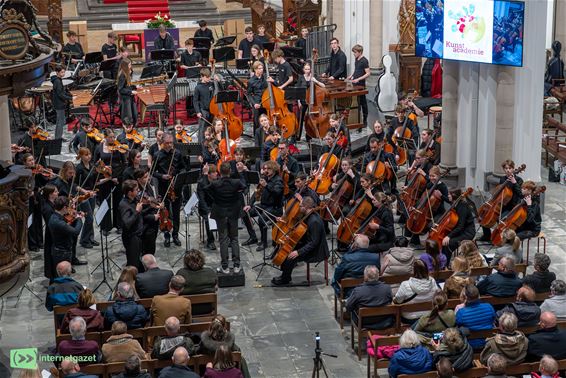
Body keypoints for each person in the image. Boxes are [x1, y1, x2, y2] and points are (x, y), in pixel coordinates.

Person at [272, 196, 329, 285]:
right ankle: (285, 275)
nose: (299, 207)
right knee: (287, 249)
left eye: (301, 206)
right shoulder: (307, 215)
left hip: (316, 251)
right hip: (309, 244)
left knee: (290, 256)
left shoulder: (314, 221)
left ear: (306, 207)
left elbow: (314, 243)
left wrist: (298, 252)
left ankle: (285, 279)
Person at [202, 162, 246, 273]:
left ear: (219, 172)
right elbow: (244, 187)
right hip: (233, 213)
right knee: (234, 239)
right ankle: (236, 266)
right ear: (230, 171)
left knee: (223, 240)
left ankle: (225, 266)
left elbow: (204, 188)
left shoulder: (215, 184)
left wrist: (205, 174)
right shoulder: (236, 182)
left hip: (220, 213)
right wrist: (240, 173)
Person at [242, 160, 284, 251]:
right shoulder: (265, 178)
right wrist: (249, 204)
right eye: (265, 168)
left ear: (274, 169)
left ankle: (264, 243)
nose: (265, 170)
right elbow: (256, 192)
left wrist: (266, 186)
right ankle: (253, 237)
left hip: (275, 208)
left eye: (268, 169)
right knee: (245, 213)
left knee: (261, 219)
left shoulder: (278, 180)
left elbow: (277, 193)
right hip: (264, 205)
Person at [479, 159, 524, 242]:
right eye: (506, 168)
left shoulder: (519, 180)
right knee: (484, 214)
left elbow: (521, 194)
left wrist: (514, 182)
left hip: (511, 207)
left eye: (510, 168)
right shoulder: (503, 179)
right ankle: (487, 235)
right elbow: (499, 192)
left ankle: (501, 238)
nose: (508, 170)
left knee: (502, 220)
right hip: (501, 205)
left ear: (514, 169)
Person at [153, 133, 185, 247]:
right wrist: (162, 176)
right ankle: (167, 235)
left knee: (176, 213)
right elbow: (153, 172)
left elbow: (183, 168)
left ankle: (175, 235)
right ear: (162, 143)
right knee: (164, 213)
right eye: (167, 143)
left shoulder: (177, 153)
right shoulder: (157, 155)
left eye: (171, 143)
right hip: (163, 188)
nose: (170, 145)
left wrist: (177, 177)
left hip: (175, 187)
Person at [94, 128, 126, 235]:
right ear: (105, 137)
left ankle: (119, 225)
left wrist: (117, 176)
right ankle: (105, 227)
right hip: (105, 178)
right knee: (105, 202)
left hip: (117, 178)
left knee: (118, 201)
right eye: (110, 137)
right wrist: (102, 168)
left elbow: (124, 163)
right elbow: (95, 164)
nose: (113, 139)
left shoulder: (118, 147)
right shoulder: (99, 148)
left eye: (114, 137)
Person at [455, 284, 496, 349]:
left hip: (470, 345)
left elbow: (457, 325)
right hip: (488, 342)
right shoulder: (489, 307)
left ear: (466, 297)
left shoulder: (461, 312)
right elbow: (493, 319)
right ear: (478, 295)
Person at [441, 188, 477, 262]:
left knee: (448, 243)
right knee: (443, 239)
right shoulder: (456, 203)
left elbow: (461, 226)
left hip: (467, 232)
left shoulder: (462, 207)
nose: (448, 196)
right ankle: (443, 261)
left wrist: (449, 236)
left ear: (454, 196)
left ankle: (445, 264)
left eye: (449, 194)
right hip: (460, 230)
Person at [48, 196, 85, 268]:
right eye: (68, 207)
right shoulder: (58, 222)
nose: (69, 209)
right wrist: (79, 218)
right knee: (63, 276)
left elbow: (64, 228)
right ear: (64, 208)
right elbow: (76, 232)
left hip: (59, 249)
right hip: (62, 252)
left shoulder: (55, 216)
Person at [74, 147, 99, 249]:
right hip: (83, 196)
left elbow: (95, 182)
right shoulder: (79, 168)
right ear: (81, 156)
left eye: (89, 154)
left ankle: (90, 238)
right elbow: (75, 184)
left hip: (92, 194)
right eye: (86, 155)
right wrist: (85, 191)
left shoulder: (92, 166)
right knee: (89, 218)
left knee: (90, 217)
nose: (89, 156)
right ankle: (84, 240)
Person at [134, 168, 160, 255]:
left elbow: (154, 199)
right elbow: (140, 213)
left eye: (148, 175)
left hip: (154, 222)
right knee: (148, 249)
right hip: (146, 225)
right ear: (138, 179)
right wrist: (153, 217)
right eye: (145, 177)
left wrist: (159, 203)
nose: (148, 178)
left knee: (152, 245)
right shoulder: (137, 194)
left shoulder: (148, 185)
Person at [119, 180, 144, 270]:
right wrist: (137, 211)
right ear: (130, 192)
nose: (138, 191)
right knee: (133, 263)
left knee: (137, 260)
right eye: (136, 190)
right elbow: (127, 223)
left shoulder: (135, 200)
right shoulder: (124, 205)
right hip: (131, 238)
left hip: (138, 235)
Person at [347, 44, 370, 127]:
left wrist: (358, 79)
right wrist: (351, 76)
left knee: (362, 102)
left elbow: (368, 73)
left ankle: (364, 120)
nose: (354, 54)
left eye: (355, 52)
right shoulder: (356, 59)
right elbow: (357, 70)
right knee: (356, 103)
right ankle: (357, 119)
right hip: (355, 83)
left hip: (361, 85)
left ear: (360, 52)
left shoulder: (364, 61)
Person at [197, 164, 217, 250]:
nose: (216, 173)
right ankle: (210, 241)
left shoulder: (217, 181)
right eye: (214, 172)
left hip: (215, 206)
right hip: (205, 207)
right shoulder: (201, 183)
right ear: (208, 174)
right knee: (208, 219)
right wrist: (208, 211)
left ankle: (227, 238)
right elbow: (202, 200)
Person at [51, 65, 74, 140]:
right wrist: (71, 98)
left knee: (61, 121)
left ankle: (59, 136)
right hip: (59, 104)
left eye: (64, 72)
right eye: (62, 72)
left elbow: (62, 92)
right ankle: (58, 138)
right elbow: (60, 94)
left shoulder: (58, 79)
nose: (63, 74)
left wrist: (71, 95)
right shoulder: (57, 81)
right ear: (57, 72)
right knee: (60, 122)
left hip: (60, 103)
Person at [41, 185, 59, 281]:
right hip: (51, 235)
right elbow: (51, 224)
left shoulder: (52, 203)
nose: (58, 193)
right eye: (56, 192)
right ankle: (53, 276)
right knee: (51, 255)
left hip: (53, 233)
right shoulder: (47, 208)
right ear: (50, 194)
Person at [194, 68, 215, 144]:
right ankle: (200, 146)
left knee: (212, 128)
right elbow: (195, 101)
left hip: (212, 110)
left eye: (209, 76)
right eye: (207, 77)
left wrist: (218, 81)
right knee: (202, 130)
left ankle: (212, 145)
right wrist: (198, 112)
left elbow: (221, 89)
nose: (209, 78)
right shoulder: (198, 87)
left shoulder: (212, 84)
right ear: (202, 76)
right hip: (203, 111)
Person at [247, 61, 268, 134]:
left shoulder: (266, 78)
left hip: (266, 102)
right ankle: (257, 136)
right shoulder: (251, 81)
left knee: (266, 119)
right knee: (257, 121)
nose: (261, 70)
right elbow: (249, 94)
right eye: (259, 68)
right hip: (257, 103)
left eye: (262, 68)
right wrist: (254, 103)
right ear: (255, 69)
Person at [117, 59, 138, 125]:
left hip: (130, 96)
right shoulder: (122, 75)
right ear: (125, 66)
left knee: (134, 114)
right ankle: (128, 128)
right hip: (125, 99)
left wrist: (135, 87)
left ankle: (133, 126)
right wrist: (131, 91)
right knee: (128, 117)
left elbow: (127, 85)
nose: (130, 66)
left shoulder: (127, 72)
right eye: (129, 65)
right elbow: (121, 89)